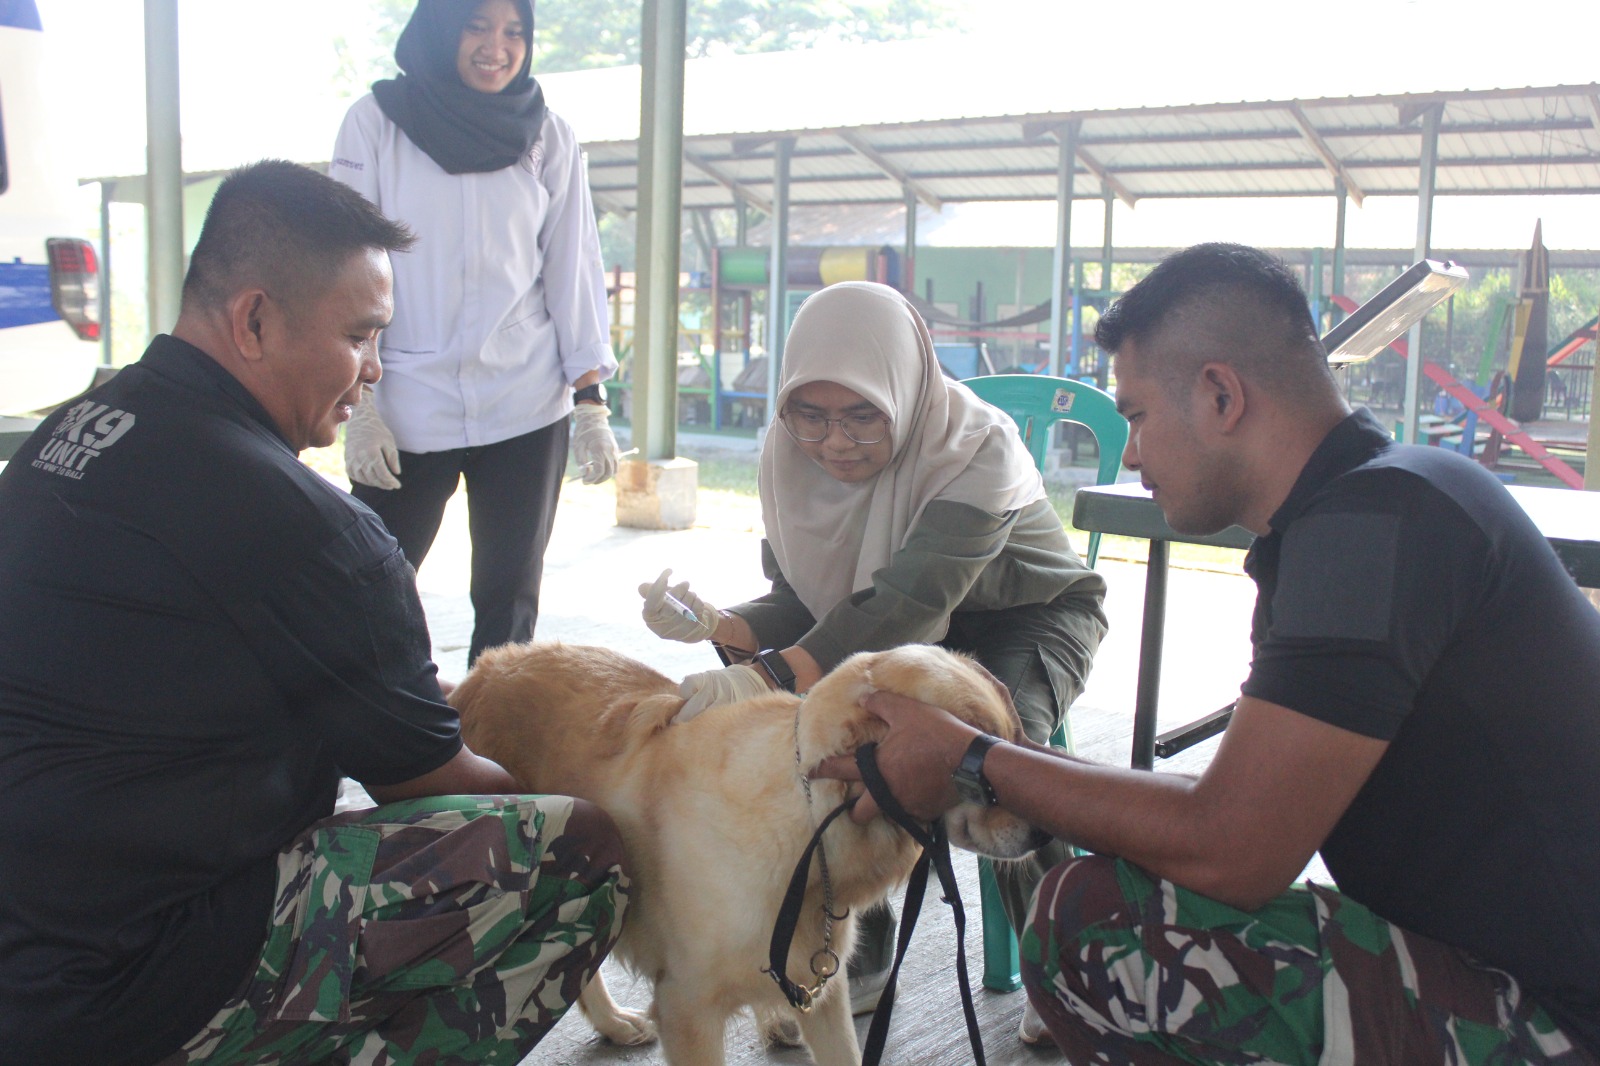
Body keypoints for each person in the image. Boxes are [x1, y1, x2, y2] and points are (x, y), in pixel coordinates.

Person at [815, 244, 1600, 1064]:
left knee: (1093, 925)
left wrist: (974, 760)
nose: (1131, 452)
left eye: (1138, 416)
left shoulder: (1369, 532)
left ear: (1221, 395)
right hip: (1509, 972)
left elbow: (1234, 847)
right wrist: (985, 756)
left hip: (1560, 1020)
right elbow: (1225, 808)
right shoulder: (1383, 502)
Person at [0, 160, 628, 1066]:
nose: (374, 370)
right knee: (582, 848)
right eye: (360, 335)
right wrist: (598, 785)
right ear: (254, 320)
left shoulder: (73, 433)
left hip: (29, 946)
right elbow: (447, 788)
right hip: (133, 985)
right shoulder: (310, 531)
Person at [637, 279, 1108, 1019]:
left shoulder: (973, 449)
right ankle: (852, 944)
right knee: (836, 741)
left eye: (863, 416)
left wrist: (769, 673)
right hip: (888, 630)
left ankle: (1067, 970)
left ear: (904, 392)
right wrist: (722, 626)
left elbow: (906, 606)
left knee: (1002, 754)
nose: (834, 442)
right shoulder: (787, 457)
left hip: (1024, 618)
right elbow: (807, 603)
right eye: (811, 415)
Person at [331, 0, 617, 665]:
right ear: (441, 29)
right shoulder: (375, 124)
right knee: (369, 585)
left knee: (509, 594)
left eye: (514, 31)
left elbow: (572, 264)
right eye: (477, 26)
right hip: (406, 400)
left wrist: (590, 401)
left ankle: (496, 724)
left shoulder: (548, 134)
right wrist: (359, 404)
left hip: (524, 399)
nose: (498, 46)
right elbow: (344, 264)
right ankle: (381, 718)